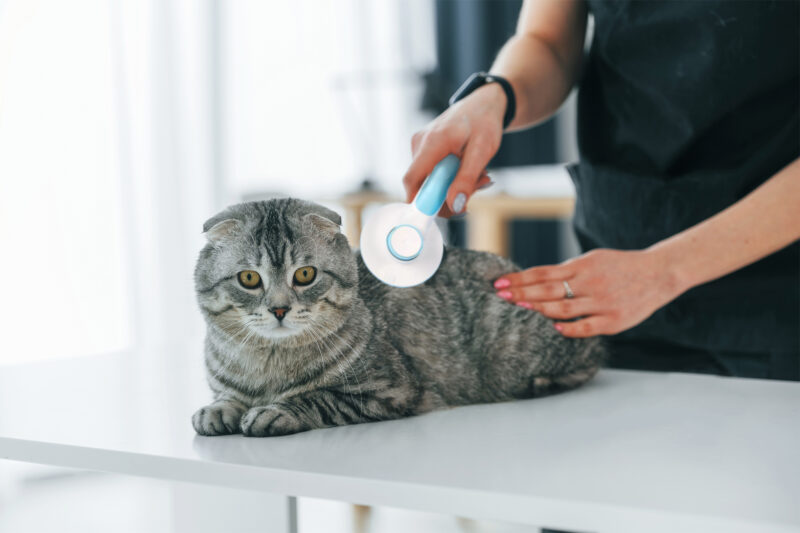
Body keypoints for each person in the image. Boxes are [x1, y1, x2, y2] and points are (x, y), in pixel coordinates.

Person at [402, 0, 799, 380]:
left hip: (774, 293)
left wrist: (665, 271)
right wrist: (494, 95)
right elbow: (547, 41)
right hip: (614, 278)